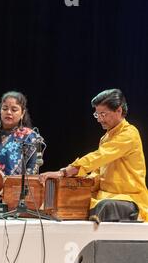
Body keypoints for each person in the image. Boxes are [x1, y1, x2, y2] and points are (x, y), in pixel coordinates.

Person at [39, 89, 148, 222]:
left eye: (103, 114)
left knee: (105, 206)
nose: (99, 119)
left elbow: (99, 156)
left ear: (119, 110)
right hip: (104, 196)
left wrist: (64, 172)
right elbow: (98, 172)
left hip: (129, 198)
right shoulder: (105, 138)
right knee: (73, 200)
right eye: (97, 115)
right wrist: (79, 184)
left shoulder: (130, 134)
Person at [0, 91, 43, 175]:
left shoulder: (30, 137)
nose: (8, 112)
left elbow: (32, 173)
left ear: (22, 114)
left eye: (14, 109)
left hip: (16, 186)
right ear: (0, 111)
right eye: (4, 108)